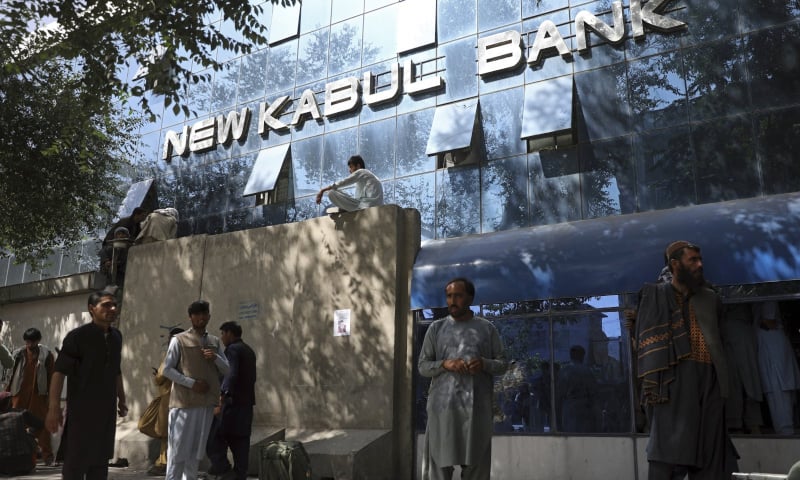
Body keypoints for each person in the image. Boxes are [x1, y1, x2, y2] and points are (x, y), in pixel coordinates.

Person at [635, 241, 736, 480]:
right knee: (668, 455)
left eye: (700, 260)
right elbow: (641, 342)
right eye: (693, 260)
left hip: (710, 382)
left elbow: (721, 340)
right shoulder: (656, 295)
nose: (700, 265)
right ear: (675, 264)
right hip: (674, 382)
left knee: (711, 456)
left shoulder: (710, 298)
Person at [418, 277, 507, 480]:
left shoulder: (486, 328)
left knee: (476, 467)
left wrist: (484, 363)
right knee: (438, 469)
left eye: (457, 295)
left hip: (476, 412)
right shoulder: (436, 329)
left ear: (470, 298)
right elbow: (422, 366)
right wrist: (444, 364)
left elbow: (502, 363)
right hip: (443, 412)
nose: (452, 301)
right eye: (449, 296)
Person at [45, 290, 128, 480]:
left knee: (100, 463)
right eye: (106, 305)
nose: (113, 308)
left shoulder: (116, 337)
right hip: (82, 411)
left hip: (106, 411)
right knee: (75, 463)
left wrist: (121, 400)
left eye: (114, 305)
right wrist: (53, 407)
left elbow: (116, 370)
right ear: (92, 309)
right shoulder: (77, 336)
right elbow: (59, 372)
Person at [163, 300, 229, 480]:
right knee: (177, 452)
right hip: (184, 404)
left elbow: (227, 369)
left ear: (209, 316)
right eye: (197, 314)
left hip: (206, 404)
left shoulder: (214, 341)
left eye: (204, 313)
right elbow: (167, 370)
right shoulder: (179, 340)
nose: (201, 317)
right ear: (190, 317)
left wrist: (215, 358)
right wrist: (192, 384)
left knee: (195, 453)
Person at [207, 321, 256, 480]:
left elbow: (231, 374)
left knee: (213, 438)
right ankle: (239, 474)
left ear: (229, 333)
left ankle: (224, 470)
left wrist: (221, 399)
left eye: (222, 334)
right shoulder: (249, 351)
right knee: (241, 443)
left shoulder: (232, 350)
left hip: (231, 405)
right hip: (246, 405)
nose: (221, 338)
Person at [6, 327, 55, 465]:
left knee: (42, 425)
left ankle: (47, 456)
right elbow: (9, 375)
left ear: (38, 340)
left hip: (39, 396)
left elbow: (52, 376)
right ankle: (18, 457)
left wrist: (52, 397)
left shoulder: (46, 355)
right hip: (18, 395)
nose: (29, 345)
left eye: (32, 342)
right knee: (16, 425)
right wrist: (8, 393)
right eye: (27, 342)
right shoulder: (18, 354)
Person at [752, 300, 800, 434]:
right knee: (779, 388)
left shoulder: (768, 299)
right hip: (772, 345)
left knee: (778, 389)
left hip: (772, 346)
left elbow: (769, 321)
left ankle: (786, 430)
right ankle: (785, 429)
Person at [147, 327, 185, 477]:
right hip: (182, 398)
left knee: (165, 433)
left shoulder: (171, 355)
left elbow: (161, 377)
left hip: (168, 399)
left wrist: (157, 376)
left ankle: (164, 463)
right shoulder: (188, 355)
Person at [315, 155, 384, 213]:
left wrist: (322, 190)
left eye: (351, 167)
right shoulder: (366, 178)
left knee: (331, 192)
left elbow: (344, 182)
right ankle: (346, 209)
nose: (349, 170)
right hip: (368, 205)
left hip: (366, 206)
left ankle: (345, 209)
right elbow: (357, 199)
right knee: (338, 192)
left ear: (358, 166)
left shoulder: (362, 171)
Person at [556, 345, 598, 433]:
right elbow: (593, 391)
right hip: (584, 406)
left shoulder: (565, 371)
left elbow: (560, 392)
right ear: (582, 356)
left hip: (570, 405)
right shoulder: (587, 371)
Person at [0, 409, 43, 475]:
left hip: (2, 467)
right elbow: (40, 424)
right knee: (28, 436)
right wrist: (30, 433)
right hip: (24, 465)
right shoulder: (21, 413)